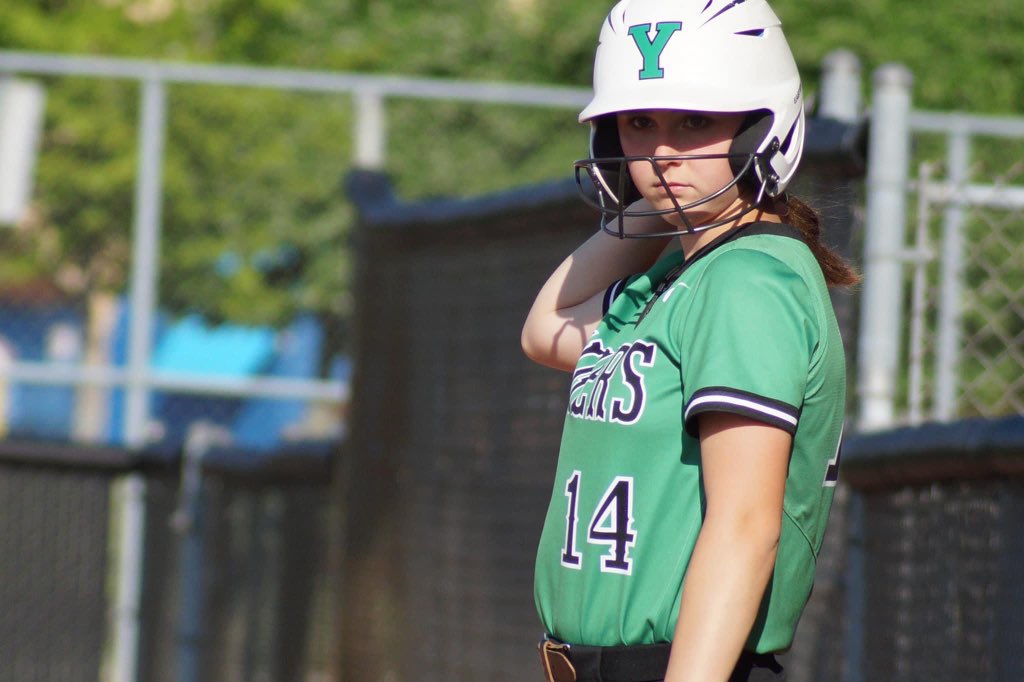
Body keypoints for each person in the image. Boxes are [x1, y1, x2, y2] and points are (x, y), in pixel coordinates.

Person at [521, 0, 859, 680]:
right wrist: (658, 195)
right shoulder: (682, 276)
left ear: (761, 129)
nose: (664, 150)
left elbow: (744, 527)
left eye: (696, 121)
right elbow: (546, 329)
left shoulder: (747, 281)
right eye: (640, 123)